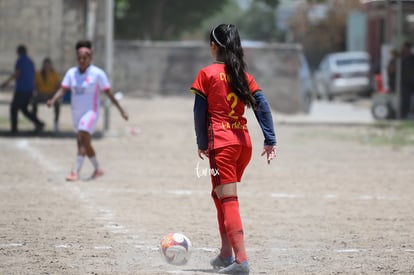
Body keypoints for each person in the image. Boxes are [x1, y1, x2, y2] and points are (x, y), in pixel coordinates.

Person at [190, 24, 277, 274]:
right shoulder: (242, 75)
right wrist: (270, 139)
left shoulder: (207, 74)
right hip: (243, 144)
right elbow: (262, 105)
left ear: (213, 46)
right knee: (219, 196)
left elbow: (199, 112)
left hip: (223, 144)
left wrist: (202, 143)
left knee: (228, 200)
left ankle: (241, 261)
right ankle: (226, 254)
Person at [47, 40, 128, 181]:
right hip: (76, 112)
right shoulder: (71, 73)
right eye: (79, 58)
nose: (82, 60)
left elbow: (108, 93)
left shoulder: (97, 73)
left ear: (90, 58)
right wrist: (53, 100)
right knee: (83, 142)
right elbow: (63, 89)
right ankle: (97, 169)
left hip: (91, 112)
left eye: (85, 57)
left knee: (83, 135)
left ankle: (75, 172)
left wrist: (121, 110)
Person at [0, 45, 44, 134]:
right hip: (29, 89)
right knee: (24, 109)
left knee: (14, 108)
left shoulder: (20, 61)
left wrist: (5, 83)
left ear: (18, 52)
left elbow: (17, 74)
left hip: (22, 90)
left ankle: (14, 129)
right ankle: (39, 123)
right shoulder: (30, 61)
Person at [33, 57, 61, 132]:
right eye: (45, 66)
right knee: (34, 102)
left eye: (48, 66)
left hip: (51, 95)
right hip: (41, 94)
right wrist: (39, 92)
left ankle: (56, 123)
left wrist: (54, 94)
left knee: (57, 104)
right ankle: (36, 123)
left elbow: (58, 85)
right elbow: (36, 85)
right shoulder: (39, 74)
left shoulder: (54, 74)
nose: (47, 67)